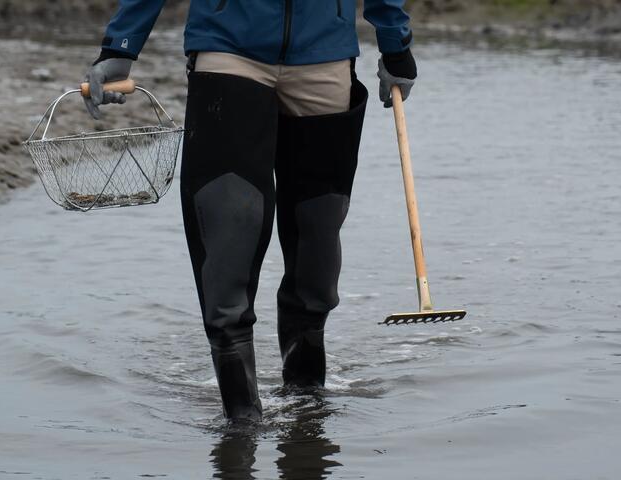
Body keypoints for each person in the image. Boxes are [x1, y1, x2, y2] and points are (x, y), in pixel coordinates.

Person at [83, 0, 418, 422]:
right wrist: (121, 45)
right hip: (228, 50)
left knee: (318, 235)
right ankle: (241, 417)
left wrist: (395, 42)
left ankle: (307, 406)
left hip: (325, 56)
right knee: (228, 226)